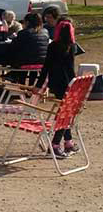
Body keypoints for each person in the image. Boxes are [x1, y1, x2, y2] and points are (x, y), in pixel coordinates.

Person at [34, 20, 78, 158]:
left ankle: (68, 142)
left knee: (64, 112)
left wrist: (39, 85)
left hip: (56, 83)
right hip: (68, 83)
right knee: (65, 114)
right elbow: (70, 68)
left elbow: (46, 67)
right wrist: (75, 84)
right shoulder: (72, 46)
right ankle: (55, 145)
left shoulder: (53, 45)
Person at [9, 13, 49, 84]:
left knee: (22, 61)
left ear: (27, 22)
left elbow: (14, 47)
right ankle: (30, 85)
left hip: (25, 63)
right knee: (32, 62)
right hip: (42, 62)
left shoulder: (23, 33)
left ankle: (21, 83)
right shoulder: (45, 32)